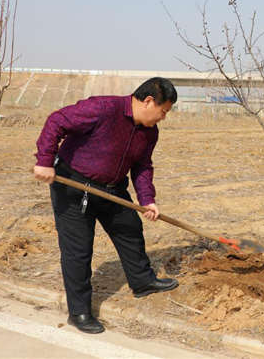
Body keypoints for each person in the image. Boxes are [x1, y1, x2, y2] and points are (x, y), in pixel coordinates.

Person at [34, 77, 180, 334]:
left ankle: (142, 282)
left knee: (130, 229)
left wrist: (147, 200)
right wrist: (45, 160)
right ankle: (79, 312)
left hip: (113, 188)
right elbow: (56, 121)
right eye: (163, 111)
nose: (163, 118)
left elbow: (142, 166)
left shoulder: (149, 132)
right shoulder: (103, 108)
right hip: (74, 187)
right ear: (148, 102)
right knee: (78, 250)